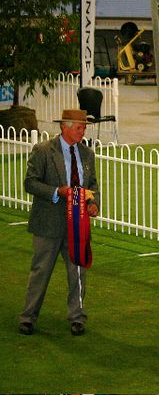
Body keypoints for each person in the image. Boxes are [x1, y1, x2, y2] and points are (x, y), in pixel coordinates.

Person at [18, 109, 99, 336]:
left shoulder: (87, 154)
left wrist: (94, 204)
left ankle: (77, 317)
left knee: (79, 271)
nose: (82, 132)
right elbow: (30, 183)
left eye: (84, 128)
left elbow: (92, 186)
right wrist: (57, 191)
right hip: (48, 224)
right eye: (79, 128)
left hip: (78, 224)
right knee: (41, 271)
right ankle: (28, 317)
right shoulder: (43, 151)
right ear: (65, 127)